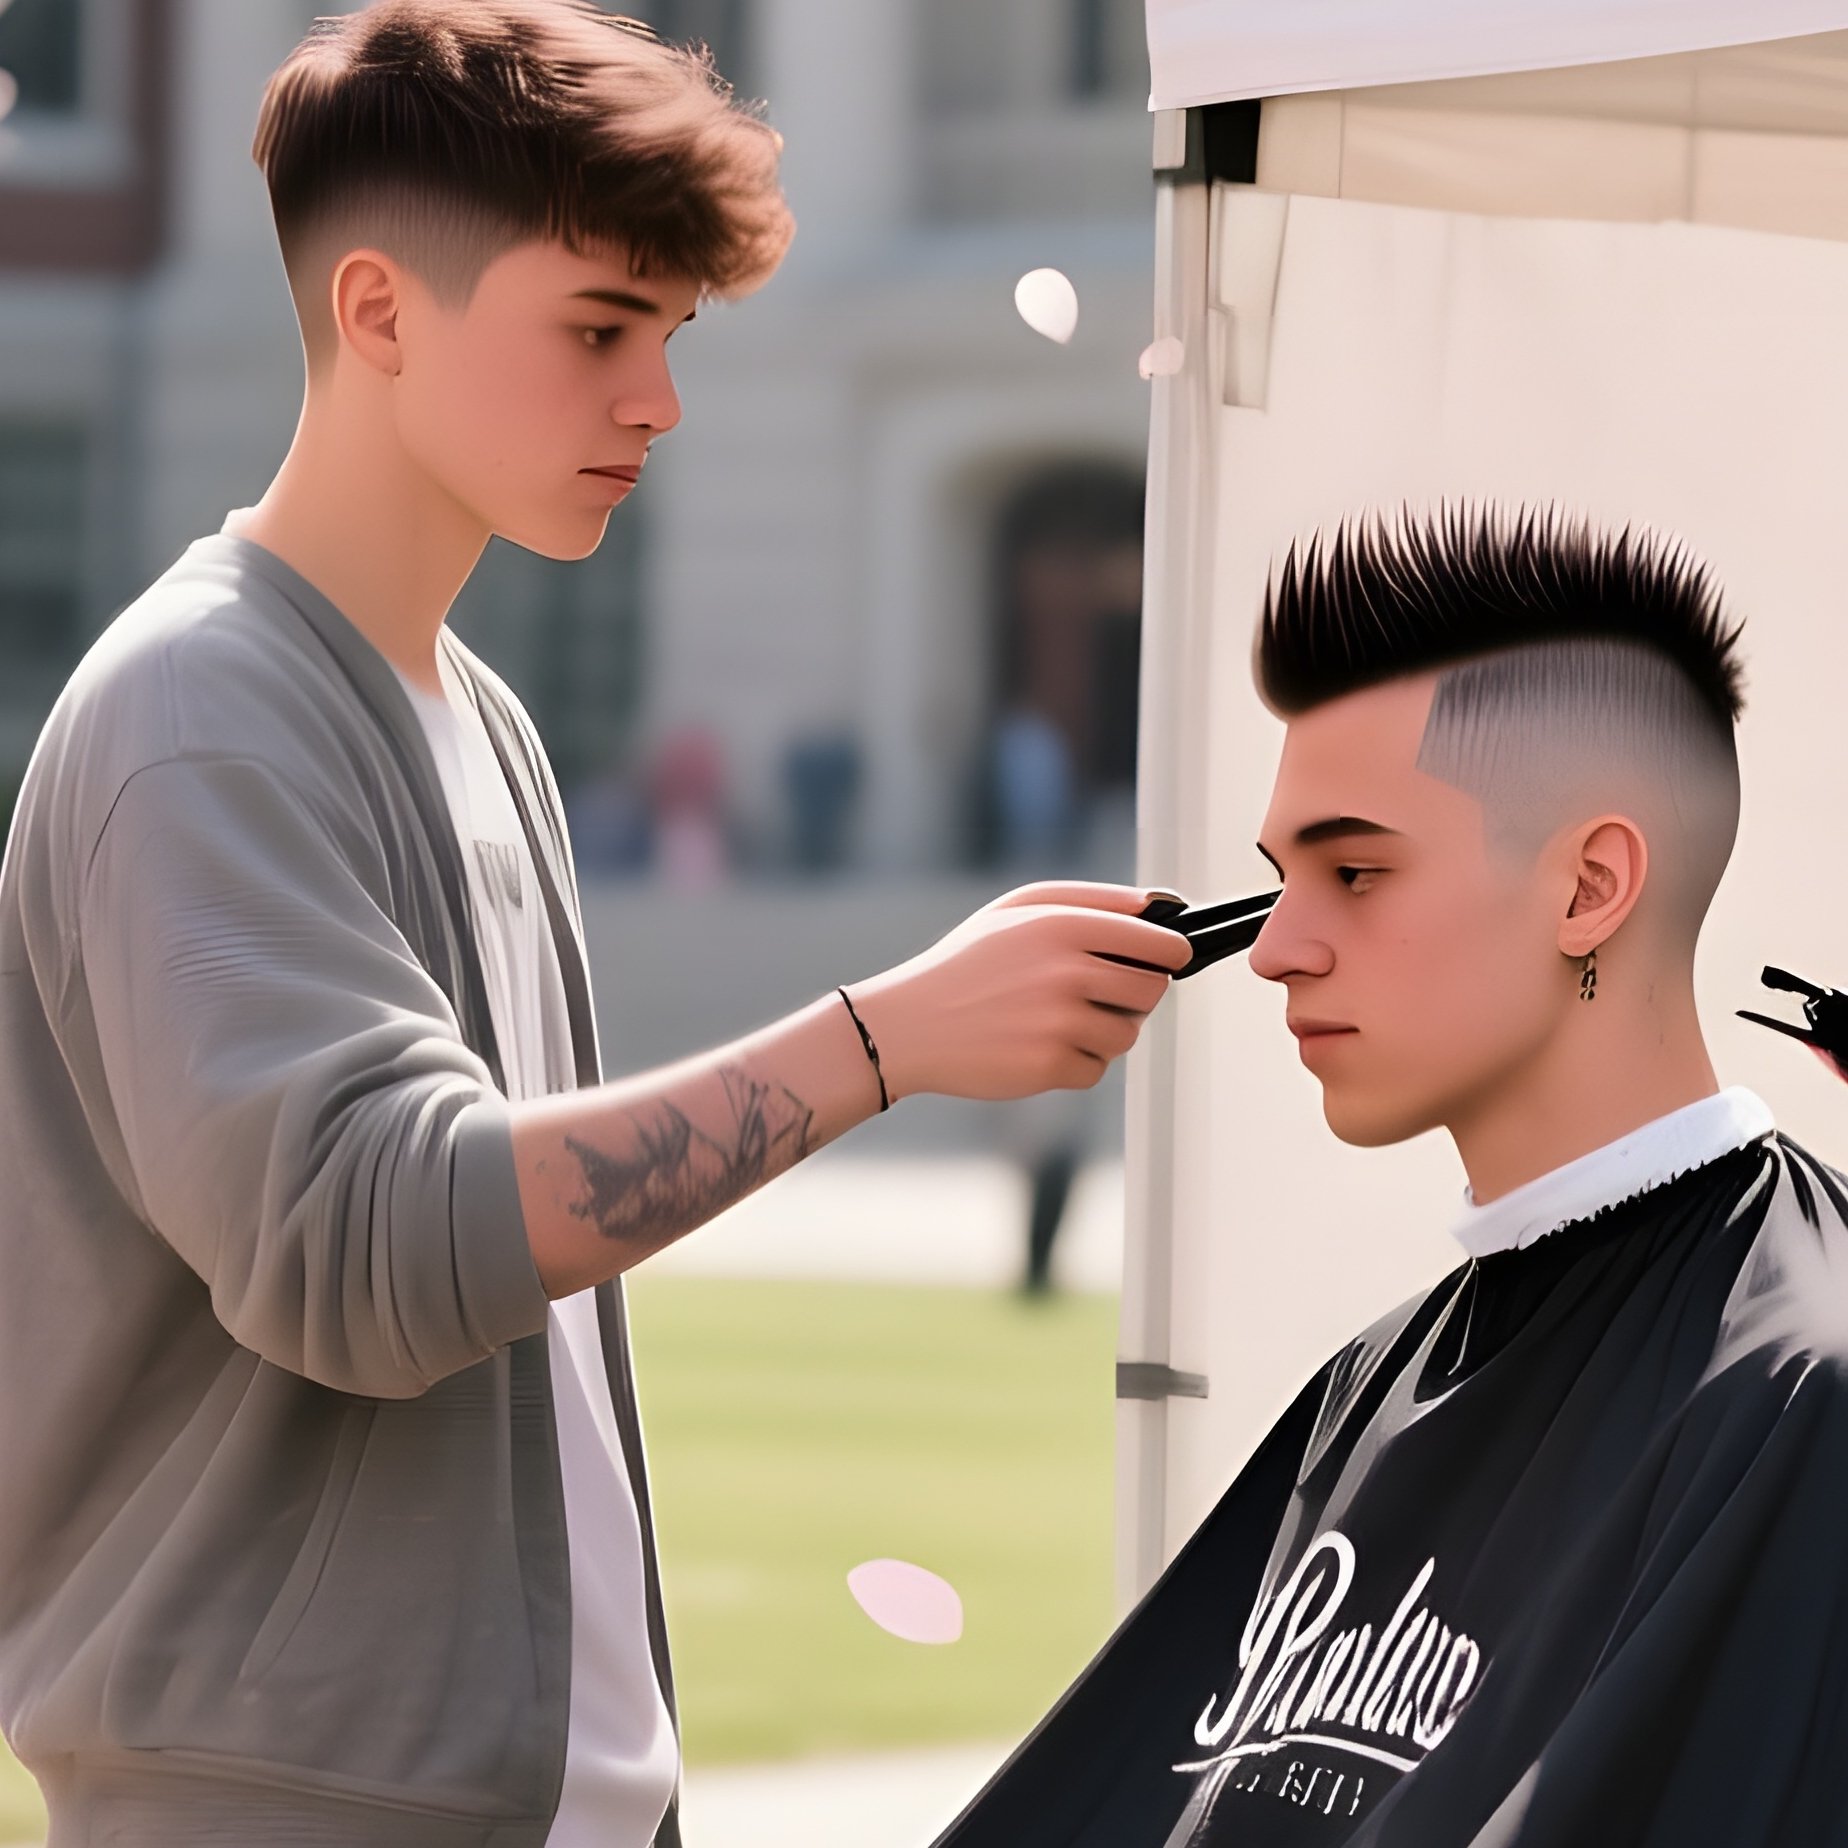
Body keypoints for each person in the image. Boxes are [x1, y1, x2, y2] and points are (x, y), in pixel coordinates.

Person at [0, 5, 1194, 1845]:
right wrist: (888, 1041)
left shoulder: (488, 725)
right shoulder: (199, 709)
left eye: (672, 333)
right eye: (597, 328)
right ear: (382, 313)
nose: (658, 397)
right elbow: (369, 1240)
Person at [930, 503, 1848, 1848]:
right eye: (1282, 878)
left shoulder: (1797, 1393)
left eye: (1355, 871)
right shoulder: (1371, 1386)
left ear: (1590, 889)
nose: (1278, 948)